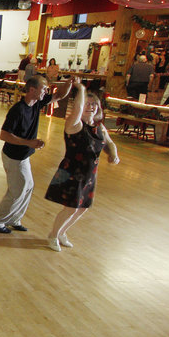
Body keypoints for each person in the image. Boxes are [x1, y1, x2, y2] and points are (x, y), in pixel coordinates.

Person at [0, 76, 73, 234]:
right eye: (43, 88)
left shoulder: (37, 103)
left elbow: (59, 95)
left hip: (23, 156)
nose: (46, 91)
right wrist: (28, 142)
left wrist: (70, 82)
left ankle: (14, 219)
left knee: (28, 187)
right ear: (32, 90)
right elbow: (4, 135)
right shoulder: (17, 110)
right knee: (17, 190)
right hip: (13, 157)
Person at [44, 81, 119, 252]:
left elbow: (109, 143)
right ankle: (53, 235)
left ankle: (62, 233)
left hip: (89, 175)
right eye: (86, 104)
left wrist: (114, 155)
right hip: (72, 173)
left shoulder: (99, 127)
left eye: (93, 104)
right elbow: (77, 110)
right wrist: (82, 90)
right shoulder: (75, 124)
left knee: (82, 208)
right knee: (71, 208)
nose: (90, 107)